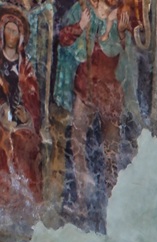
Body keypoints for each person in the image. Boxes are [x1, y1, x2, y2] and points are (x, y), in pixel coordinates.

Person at [55, 0, 138, 211]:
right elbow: (63, 39)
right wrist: (80, 27)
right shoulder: (82, 10)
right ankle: (83, 200)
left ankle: (112, 205)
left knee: (111, 151)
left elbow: (128, 55)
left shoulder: (123, 16)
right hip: (85, 89)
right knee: (77, 143)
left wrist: (119, 33)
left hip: (110, 95)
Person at [0, 8, 42, 225]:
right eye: (7, 30)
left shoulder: (25, 65)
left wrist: (25, 112)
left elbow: (33, 95)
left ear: (20, 37)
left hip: (18, 121)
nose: (10, 35)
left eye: (14, 31)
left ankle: (22, 205)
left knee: (23, 145)